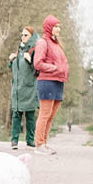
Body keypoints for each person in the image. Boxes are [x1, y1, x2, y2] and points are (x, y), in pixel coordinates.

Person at [31, 15, 70, 148]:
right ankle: (39, 143)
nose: (58, 29)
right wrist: (54, 68)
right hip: (47, 81)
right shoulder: (43, 42)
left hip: (58, 81)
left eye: (59, 26)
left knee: (51, 116)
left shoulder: (56, 44)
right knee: (45, 114)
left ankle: (44, 142)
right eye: (56, 26)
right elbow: (38, 63)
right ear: (49, 27)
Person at [8, 27, 39, 147]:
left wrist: (30, 61)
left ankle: (30, 140)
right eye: (22, 35)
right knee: (16, 115)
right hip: (17, 88)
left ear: (31, 36)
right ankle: (14, 139)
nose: (23, 37)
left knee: (30, 115)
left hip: (29, 88)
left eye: (26, 35)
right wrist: (11, 61)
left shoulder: (34, 50)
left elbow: (37, 70)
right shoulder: (19, 50)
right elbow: (15, 68)